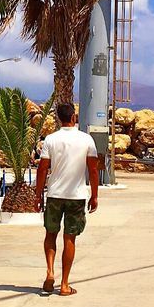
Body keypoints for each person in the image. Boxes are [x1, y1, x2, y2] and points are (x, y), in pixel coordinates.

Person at [33, 102, 99, 296]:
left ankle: (50, 272)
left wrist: (38, 195)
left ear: (59, 118)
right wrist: (94, 195)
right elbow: (93, 170)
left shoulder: (50, 140)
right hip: (76, 197)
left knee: (50, 234)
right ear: (73, 117)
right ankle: (64, 284)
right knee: (70, 239)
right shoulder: (86, 140)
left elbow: (43, 168)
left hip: (54, 194)